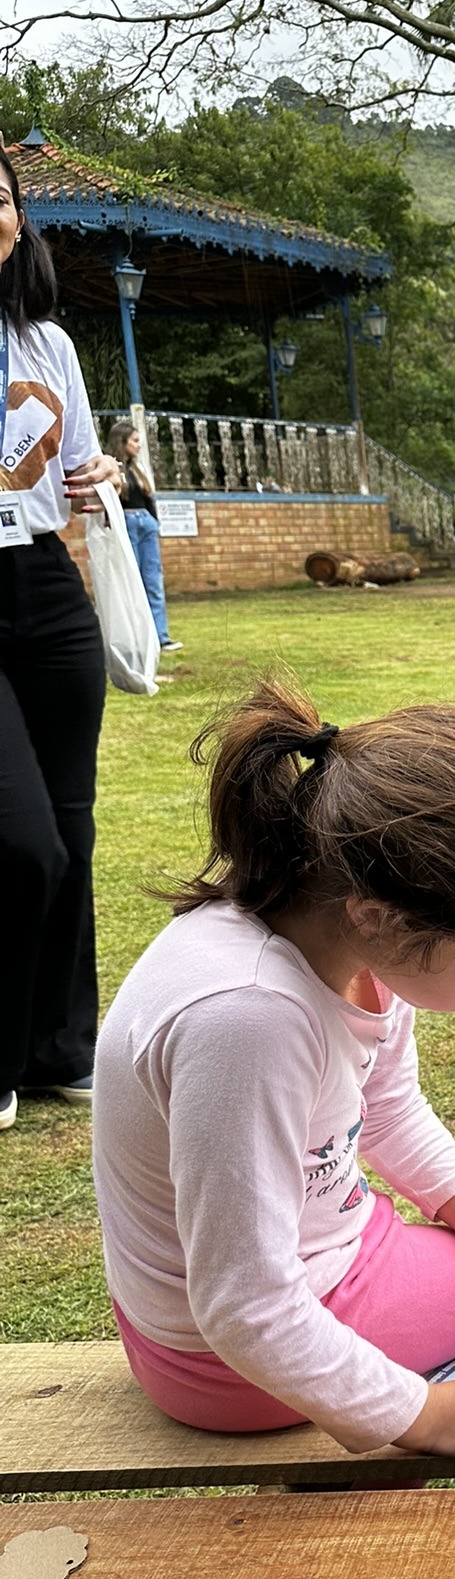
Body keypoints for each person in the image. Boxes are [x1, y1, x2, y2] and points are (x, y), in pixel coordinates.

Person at [92, 678, 455, 1453]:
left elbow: (388, 1111)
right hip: (227, 1363)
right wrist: (427, 1418)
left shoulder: (352, 934)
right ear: (380, 915)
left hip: (307, 1274)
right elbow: (246, 1308)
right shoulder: (249, 1018)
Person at [0, 147, 121, 1135]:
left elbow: (80, 468)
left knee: (72, 834)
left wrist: (106, 482)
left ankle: (59, 1048)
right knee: (18, 837)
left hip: (48, 581)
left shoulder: (51, 346)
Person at [105, 419, 179, 655]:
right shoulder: (111, 469)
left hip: (145, 524)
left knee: (153, 581)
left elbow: (149, 498)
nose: (139, 446)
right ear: (122, 441)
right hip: (126, 523)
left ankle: (161, 636)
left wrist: (155, 522)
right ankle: (138, 639)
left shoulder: (138, 469)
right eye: (135, 441)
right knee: (132, 582)